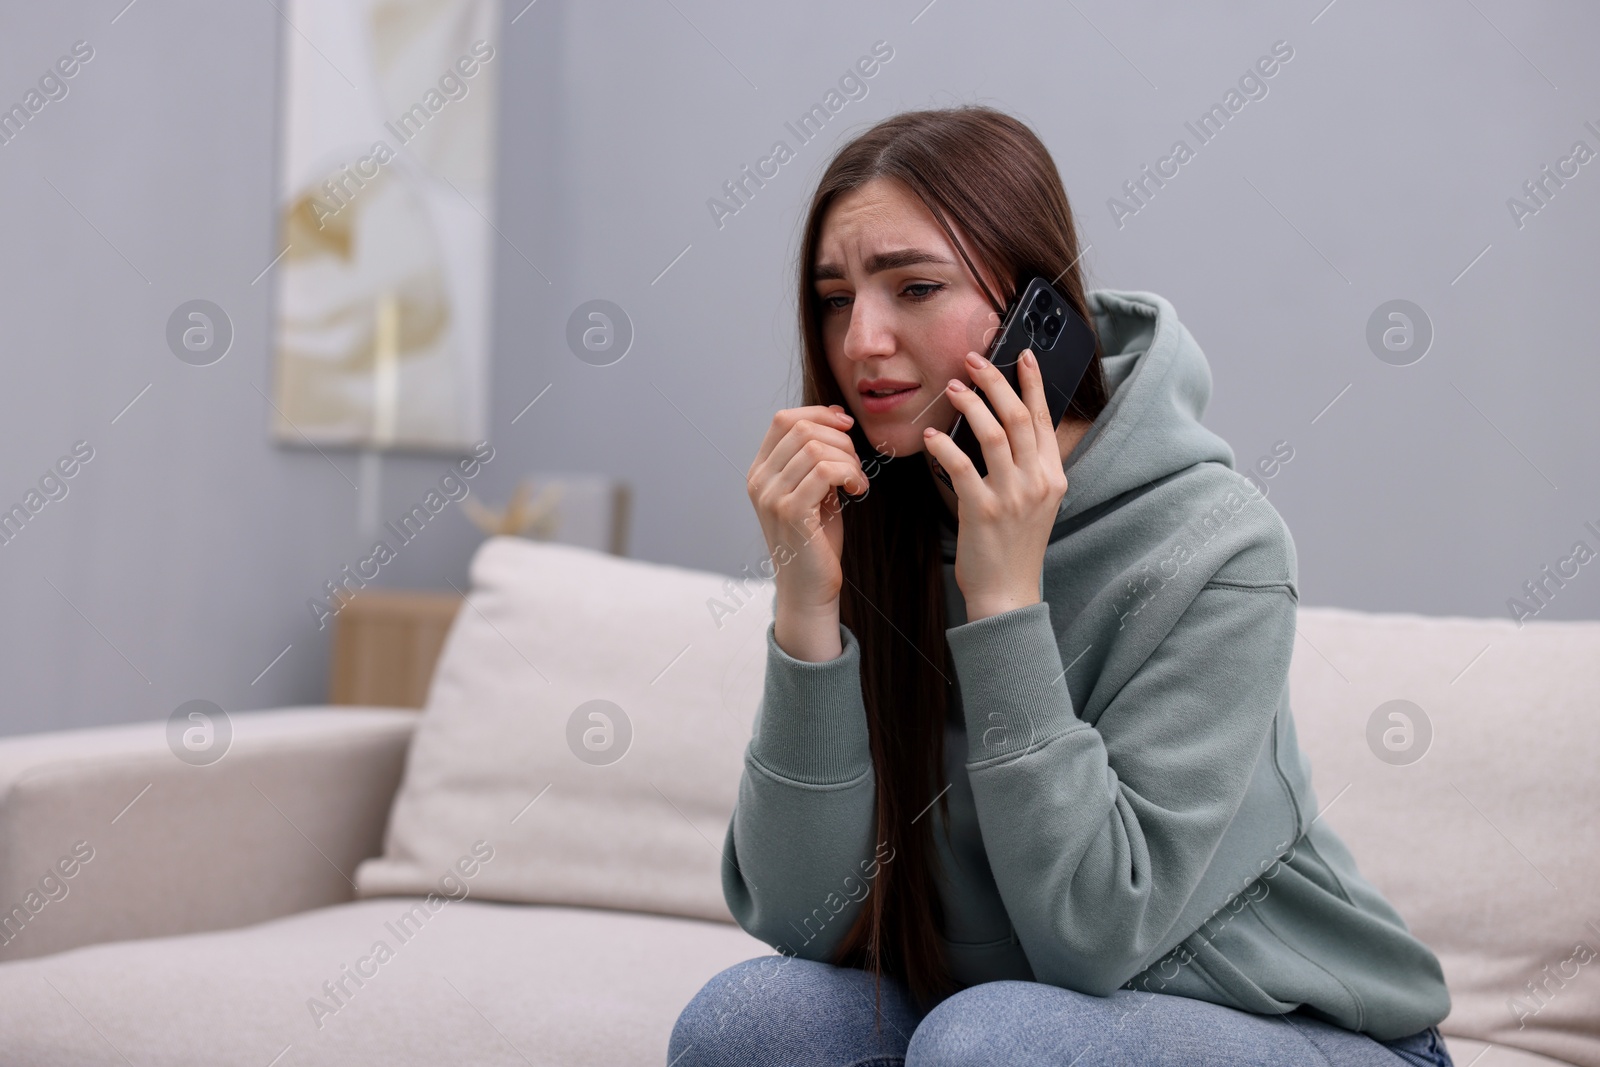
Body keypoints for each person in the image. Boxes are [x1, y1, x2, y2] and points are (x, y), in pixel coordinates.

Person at [669, 106, 1454, 1067]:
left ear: (1039, 310)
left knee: (992, 1043)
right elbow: (800, 920)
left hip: (1296, 1033)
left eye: (914, 287)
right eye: (836, 299)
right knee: (745, 1025)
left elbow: (1094, 931)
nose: (863, 340)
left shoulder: (1219, 545)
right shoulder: (883, 508)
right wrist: (807, 609)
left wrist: (1005, 603)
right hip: (1016, 1022)